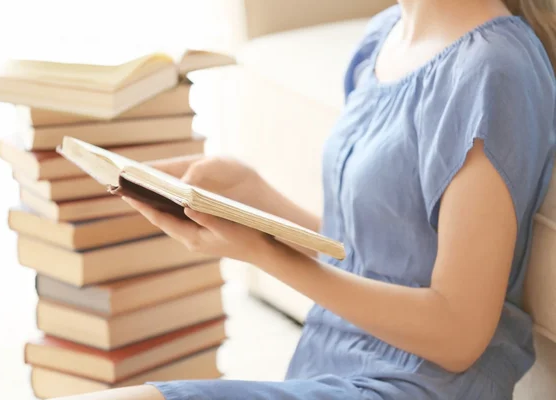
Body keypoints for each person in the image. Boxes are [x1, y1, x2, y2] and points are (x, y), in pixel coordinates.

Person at [55, 0, 556, 399]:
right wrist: (256, 199)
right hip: (328, 362)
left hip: (415, 386)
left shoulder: (495, 70)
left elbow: (458, 334)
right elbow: (378, 253)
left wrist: (263, 252)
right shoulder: (382, 37)